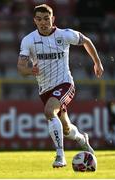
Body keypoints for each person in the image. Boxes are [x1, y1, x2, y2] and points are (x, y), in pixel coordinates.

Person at [17, 4, 104, 168]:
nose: (43, 22)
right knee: (66, 128)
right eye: (39, 19)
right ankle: (81, 138)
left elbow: (86, 41)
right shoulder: (29, 40)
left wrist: (97, 63)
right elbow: (20, 67)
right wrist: (29, 70)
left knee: (49, 111)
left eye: (46, 18)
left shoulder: (64, 35)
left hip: (65, 84)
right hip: (45, 89)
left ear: (53, 19)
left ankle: (60, 156)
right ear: (34, 20)